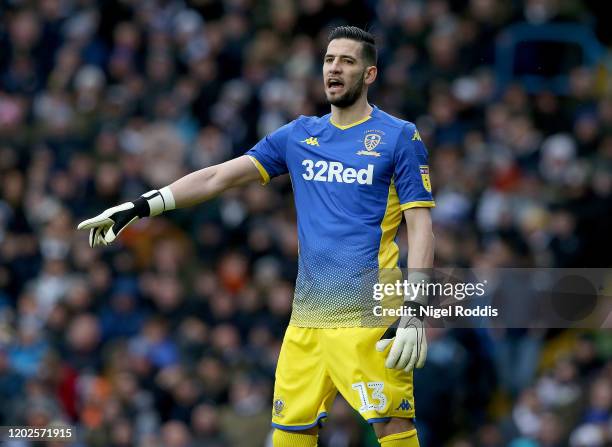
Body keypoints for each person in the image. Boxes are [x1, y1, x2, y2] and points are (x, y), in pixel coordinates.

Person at [78, 26, 435, 447]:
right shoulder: (300, 135)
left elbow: (422, 227)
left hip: (372, 313)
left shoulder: (399, 137)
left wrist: (415, 310)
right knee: (288, 433)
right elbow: (217, 177)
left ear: (370, 74)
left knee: (392, 427)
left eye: (347, 61)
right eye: (329, 60)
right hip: (307, 319)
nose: (334, 69)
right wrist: (141, 205)